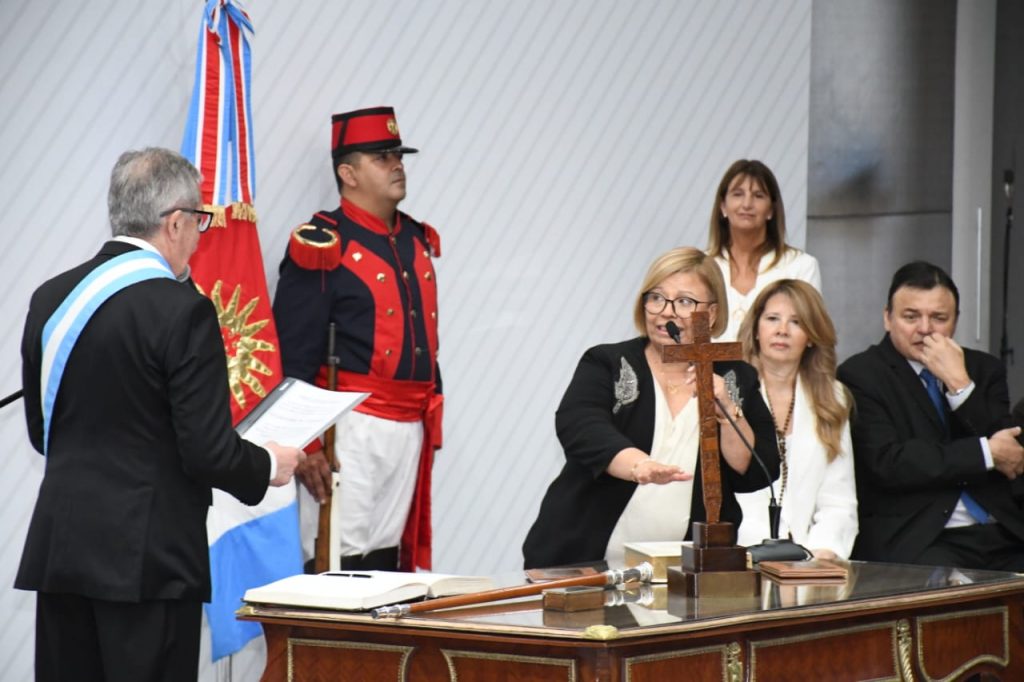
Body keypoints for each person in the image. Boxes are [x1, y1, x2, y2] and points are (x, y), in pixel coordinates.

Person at [16, 147, 303, 682]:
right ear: (174, 222)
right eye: (199, 220)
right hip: (148, 565)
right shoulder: (182, 310)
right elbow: (207, 450)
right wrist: (268, 465)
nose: (199, 236)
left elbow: (43, 433)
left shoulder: (52, 298)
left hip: (62, 555)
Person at [522, 247, 780, 569]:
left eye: (684, 302)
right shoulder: (608, 362)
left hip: (684, 571)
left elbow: (755, 470)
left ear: (712, 314)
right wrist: (639, 465)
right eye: (656, 298)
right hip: (584, 561)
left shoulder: (735, 377)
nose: (666, 313)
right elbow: (580, 426)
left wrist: (728, 411)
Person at [273, 106, 442, 572]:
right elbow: (292, 353)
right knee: (338, 560)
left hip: (408, 424)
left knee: (386, 559)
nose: (397, 165)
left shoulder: (415, 238)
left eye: (398, 155)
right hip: (349, 426)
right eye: (381, 157)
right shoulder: (322, 242)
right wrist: (306, 445)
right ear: (347, 174)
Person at [837, 261, 1024, 570]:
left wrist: (960, 385)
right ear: (887, 318)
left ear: (956, 320)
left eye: (939, 318)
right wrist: (984, 453)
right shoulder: (861, 374)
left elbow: (1011, 454)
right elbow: (889, 462)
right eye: (911, 317)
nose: (925, 329)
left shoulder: (983, 368)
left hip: (1001, 529)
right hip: (921, 536)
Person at [734, 279, 858, 559]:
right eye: (772, 319)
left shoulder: (833, 397)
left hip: (808, 558)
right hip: (740, 554)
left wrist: (821, 554)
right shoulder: (730, 390)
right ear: (756, 330)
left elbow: (839, 500)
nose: (782, 330)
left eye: (796, 322)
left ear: (812, 336)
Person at [706, 159, 821, 341]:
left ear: (771, 210)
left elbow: (810, 335)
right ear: (723, 206)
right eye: (737, 194)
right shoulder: (702, 268)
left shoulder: (801, 266)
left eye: (758, 196)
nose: (747, 204)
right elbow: (692, 338)